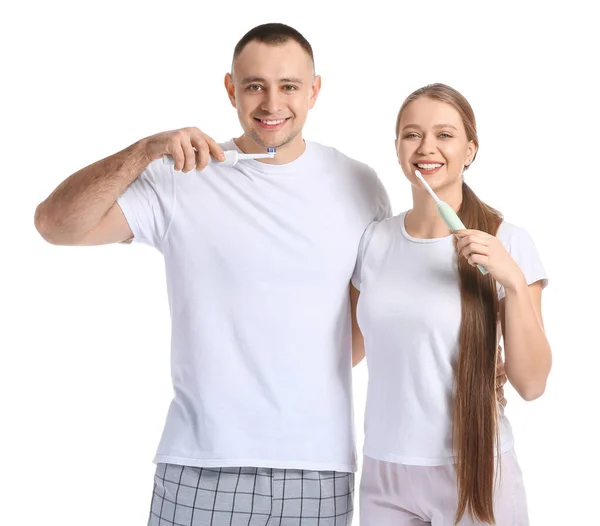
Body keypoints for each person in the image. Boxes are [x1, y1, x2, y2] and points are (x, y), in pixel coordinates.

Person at [34, 22, 391, 526]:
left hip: (317, 467)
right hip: (198, 464)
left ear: (314, 90)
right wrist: (145, 150)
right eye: (254, 86)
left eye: (288, 85)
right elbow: (55, 225)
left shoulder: (360, 184)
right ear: (231, 89)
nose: (272, 103)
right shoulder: (183, 177)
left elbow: (361, 329)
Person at [351, 83, 551, 525]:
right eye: (412, 134)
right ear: (398, 147)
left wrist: (514, 283)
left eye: (444, 135)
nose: (427, 147)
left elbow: (532, 384)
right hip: (385, 472)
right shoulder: (373, 241)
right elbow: (347, 351)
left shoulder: (507, 240)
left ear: (470, 149)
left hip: (476, 471)